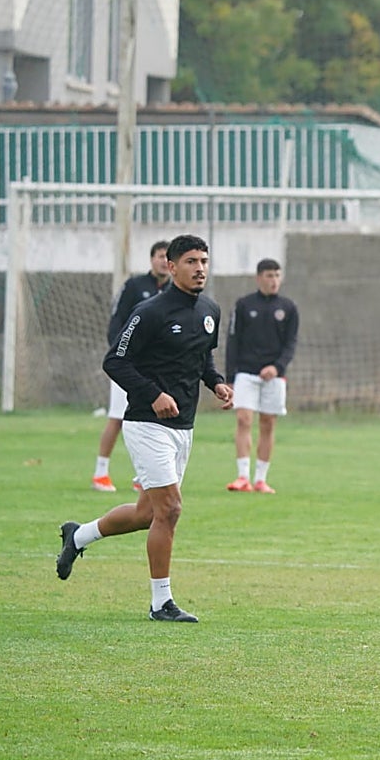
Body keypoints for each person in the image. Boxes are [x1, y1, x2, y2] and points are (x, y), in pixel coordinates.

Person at [56, 234, 233, 623]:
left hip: (184, 426)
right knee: (170, 510)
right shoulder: (150, 312)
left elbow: (202, 357)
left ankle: (79, 535)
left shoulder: (210, 310)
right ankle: (160, 603)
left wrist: (217, 382)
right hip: (147, 424)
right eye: (191, 261)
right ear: (171, 266)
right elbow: (114, 362)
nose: (200, 268)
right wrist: (153, 394)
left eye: (204, 261)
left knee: (147, 514)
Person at [91, 240, 171, 492]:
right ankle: (101, 473)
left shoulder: (174, 292)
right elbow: (116, 323)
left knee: (156, 420)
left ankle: (144, 476)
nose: (163, 261)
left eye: (167, 257)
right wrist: (122, 357)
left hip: (157, 370)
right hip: (129, 367)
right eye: (160, 256)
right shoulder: (134, 286)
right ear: (151, 259)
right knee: (118, 417)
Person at [224, 258, 300, 494]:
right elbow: (232, 341)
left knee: (267, 424)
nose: (274, 280)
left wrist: (277, 367)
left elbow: (291, 344)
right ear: (259, 278)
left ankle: (260, 479)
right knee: (244, 419)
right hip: (246, 373)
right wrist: (229, 377)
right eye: (269, 276)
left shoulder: (288, 308)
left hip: (274, 377)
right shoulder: (244, 305)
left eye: (277, 275)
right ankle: (242, 477)